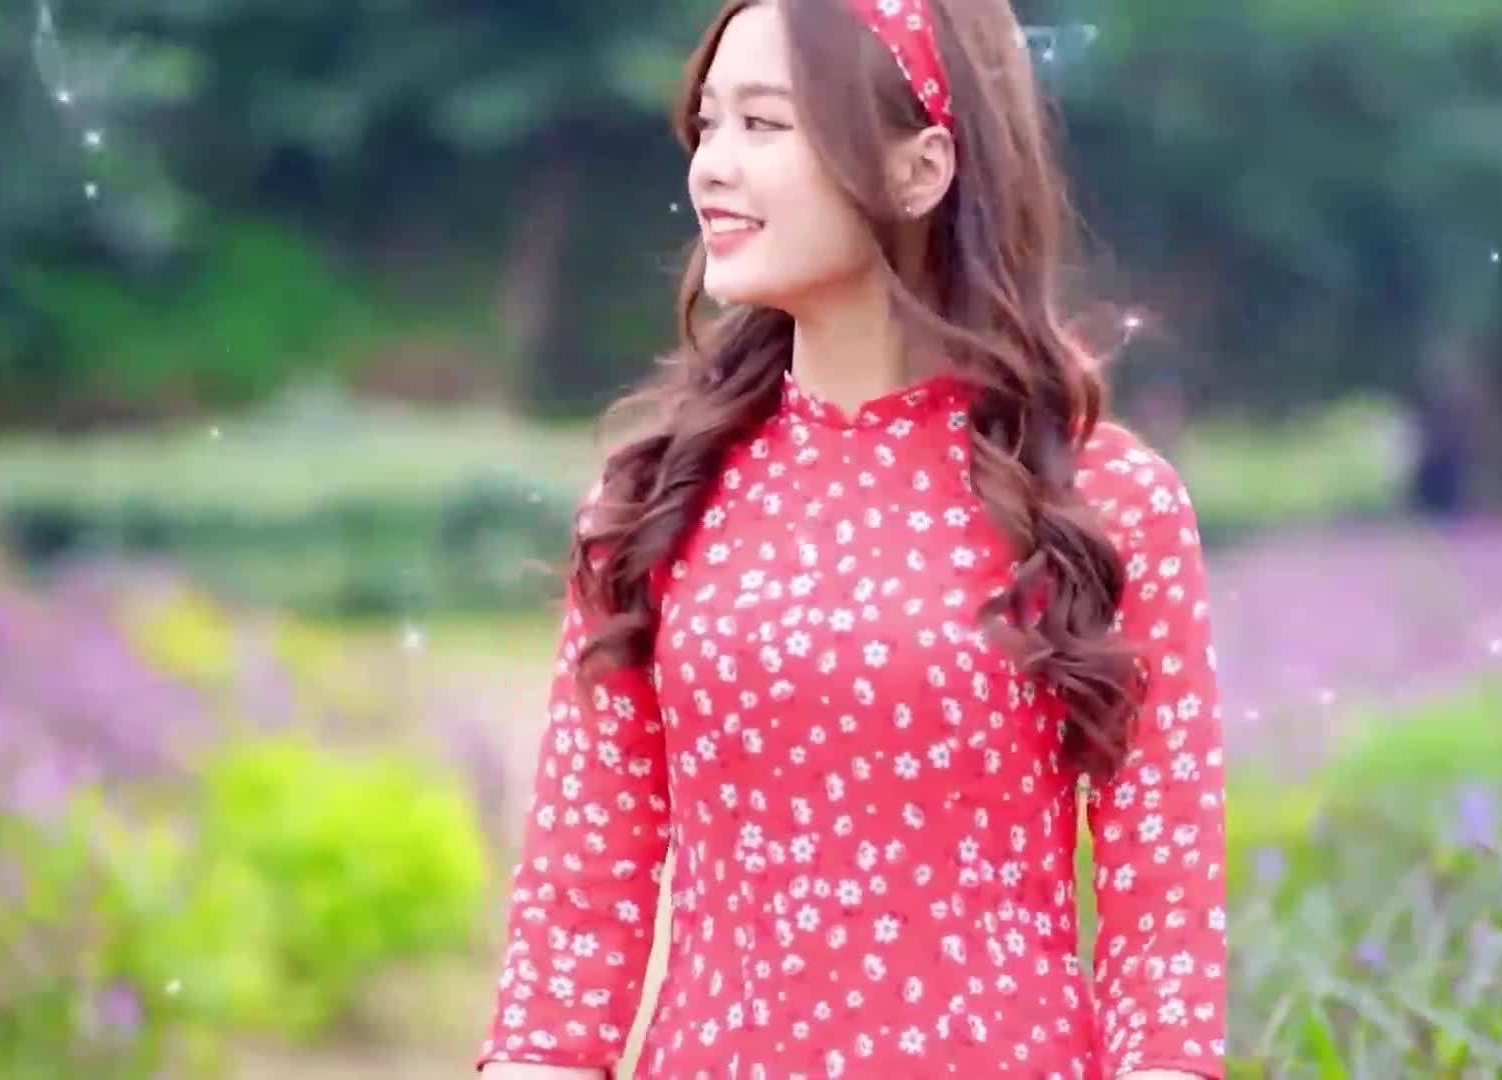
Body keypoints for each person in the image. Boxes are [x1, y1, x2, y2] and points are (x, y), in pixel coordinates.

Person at [475, 1, 1226, 1077]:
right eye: (708, 125)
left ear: (921, 169)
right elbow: (578, 907)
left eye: (764, 124)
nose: (712, 167)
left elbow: (1164, 913)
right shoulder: (657, 500)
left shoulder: (1101, 503)